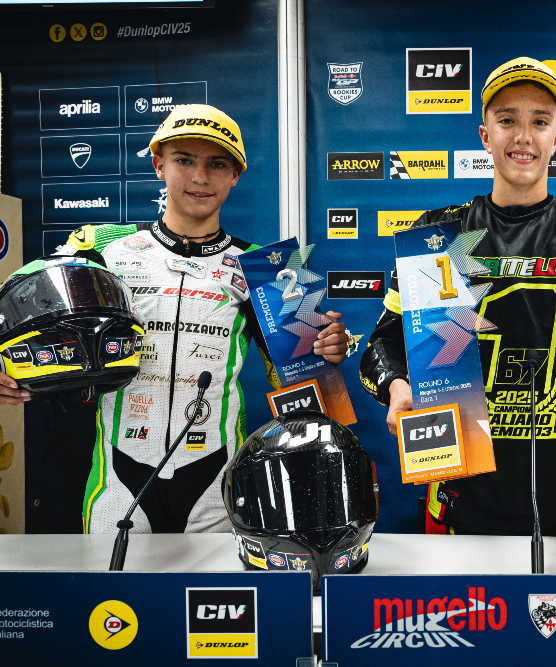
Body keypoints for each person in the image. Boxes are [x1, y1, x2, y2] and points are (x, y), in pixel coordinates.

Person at [0, 104, 351, 533]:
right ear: (159, 164)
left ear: (235, 174)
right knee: (113, 580)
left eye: (216, 164)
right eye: (184, 160)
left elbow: (314, 387)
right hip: (117, 478)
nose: (200, 177)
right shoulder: (101, 247)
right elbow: (18, 306)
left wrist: (326, 349)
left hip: (217, 479)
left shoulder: (273, 268)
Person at [359, 57, 556, 546]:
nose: (523, 136)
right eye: (507, 120)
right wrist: (395, 386)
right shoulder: (440, 235)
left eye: (539, 121)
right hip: (455, 498)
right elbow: (382, 345)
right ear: (485, 135)